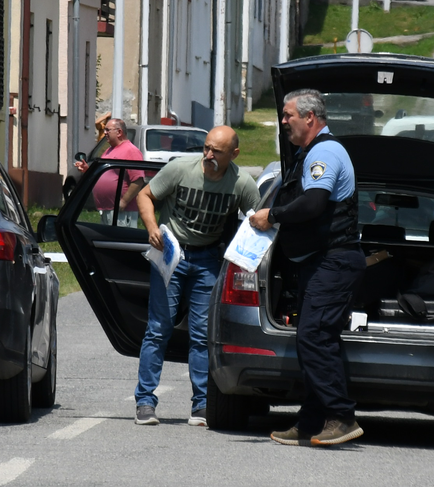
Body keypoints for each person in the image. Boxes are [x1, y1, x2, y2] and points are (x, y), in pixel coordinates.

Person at [250, 90, 365, 447]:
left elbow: (314, 204)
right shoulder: (307, 154)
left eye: (288, 116)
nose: (283, 122)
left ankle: (342, 417)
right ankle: (312, 421)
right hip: (319, 262)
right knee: (317, 339)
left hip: (335, 259)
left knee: (313, 336)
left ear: (310, 117)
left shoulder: (325, 152)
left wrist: (274, 215)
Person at [134, 125, 259, 427]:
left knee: (202, 335)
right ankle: (145, 402)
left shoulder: (241, 183)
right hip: (172, 254)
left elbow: (259, 218)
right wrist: (152, 228)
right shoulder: (180, 169)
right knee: (158, 329)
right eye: (206, 147)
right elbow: (145, 195)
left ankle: (202, 405)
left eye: (216, 151)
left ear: (234, 154)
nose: (208, 154)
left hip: (207, 260)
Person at [75, 116, 145, 225]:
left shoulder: (131, 151)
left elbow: (138, 180)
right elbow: (104, 174)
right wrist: (87, 170)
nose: (105, 132)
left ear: (119, 132)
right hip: (107, 208)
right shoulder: (109, 150)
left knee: (120, 241)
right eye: (105, 130)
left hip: (122, 211)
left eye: (108, 130)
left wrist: (123, 202)